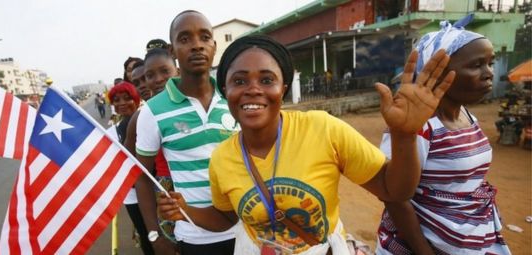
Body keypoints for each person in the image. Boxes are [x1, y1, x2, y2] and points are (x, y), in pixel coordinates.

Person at [157, 35, 454, 254]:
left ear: (283, 89)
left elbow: (394, 189)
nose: (253, 90)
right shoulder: (223, 158)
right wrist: (186, 211)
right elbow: (225, 216)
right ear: (226, 91)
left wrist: (404, 136)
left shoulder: (322, 129)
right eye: (240, 81)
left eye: (266, 79)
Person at [377, 15, 512, 255]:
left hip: (467, 239)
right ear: (437, 73)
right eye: (476, 65)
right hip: (421, 245)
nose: (489, 73)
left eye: (490, 63)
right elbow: (394, 197)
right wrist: (424, 251)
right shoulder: (416, 126)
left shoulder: (467, 116)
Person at [134, 10, 238, 255]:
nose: (197, 46)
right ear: (173, 51)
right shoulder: (153, 111)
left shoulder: (234, 98)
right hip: (195, 239)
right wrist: (154, 236)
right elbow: (141, 177)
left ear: (214, 45)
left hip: (247, 231)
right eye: (185, 39)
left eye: (205, 38)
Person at [123, 47, 181, 248]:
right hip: (167, 189)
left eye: (164, 72)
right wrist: (154, 233)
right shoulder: (141, 117)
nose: (157, 80)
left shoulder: (191, 106)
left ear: (176, 71)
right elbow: (135, 171)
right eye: (149, 76)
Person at [106, 82, 152, 254]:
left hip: (155, 188)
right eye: (116, 100)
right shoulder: (110, 133)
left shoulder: (149, 121)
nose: (122, 103)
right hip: (131, 194)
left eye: (127, 98)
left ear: (136, 99)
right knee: (145, 233)